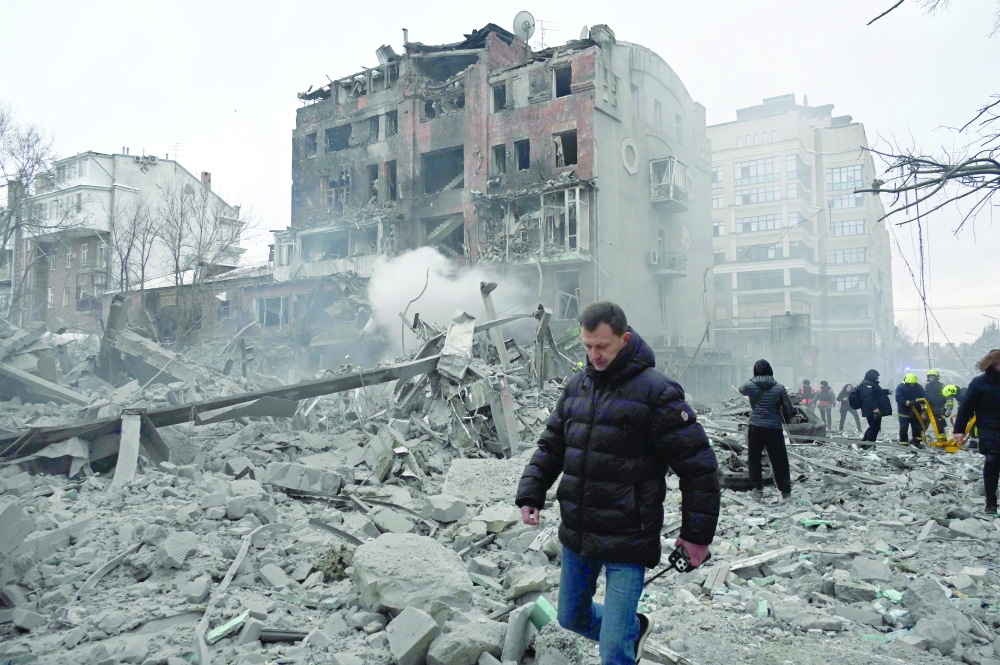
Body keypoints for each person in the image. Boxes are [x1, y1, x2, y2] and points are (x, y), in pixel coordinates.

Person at [516, 302, 720, 665]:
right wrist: (531, 492)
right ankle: (631, 629)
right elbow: (552, 445)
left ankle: (621, 638)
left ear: (624, 339)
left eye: (602, 347)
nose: (594, 355)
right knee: (571, 618)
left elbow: (698, 467)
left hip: (629, 536)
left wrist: (697, 535)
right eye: (588, 346)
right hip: (579, 530)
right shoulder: (577, 386)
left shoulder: (656, 393)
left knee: (613, 653)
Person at [738, 360, 793, 501]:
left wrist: (753, 378)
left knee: (754, 459)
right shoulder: (780, 387)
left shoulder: (750, 385)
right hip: (774, 427)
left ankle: (757, 490)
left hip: (755, 426)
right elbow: (789, 409)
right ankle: (785, 492)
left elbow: (741, 389)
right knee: (779, 460)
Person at [954, 349, 1000, 515]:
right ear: (993, 363)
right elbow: (966, 407)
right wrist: (958, 430)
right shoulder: (979, 383)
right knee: (992, 462)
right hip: (989, 429)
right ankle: (990, 503)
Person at [858, 369, 892, 442]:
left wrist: (886, 391)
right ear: (872, 376)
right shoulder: (866, 384)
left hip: (873, 409)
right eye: (876, 377)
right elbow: (867, 397)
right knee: (874, 427)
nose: (877, 378)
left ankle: (866, 443)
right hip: (871, 410)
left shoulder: (870, 383)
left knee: (874, 427)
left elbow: (877, 393)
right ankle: (867, 443)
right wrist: (874, 407)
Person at [895, 373, 927, 447]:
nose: (912, 385)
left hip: (916, 411)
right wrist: (908, 403)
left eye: (913, 383)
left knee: (917, 427)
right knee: (903, 428)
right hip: (904, 412)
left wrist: (920, 403)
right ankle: (903, 442)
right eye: (910, 383)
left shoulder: (919, 387)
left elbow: (924, 397)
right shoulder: (900, 387)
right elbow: (898, 398)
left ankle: (916, 442)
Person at [925, 369, 947, 439]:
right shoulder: (926, 386)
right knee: (923, 423)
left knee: (940, 425)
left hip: (939, 408)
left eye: (933, 377)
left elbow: (948, 396)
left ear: (936, 377)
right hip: (928, 408)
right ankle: (917, 439)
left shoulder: (942, 386)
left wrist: (949, 408)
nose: (931, 378)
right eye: (930, 377)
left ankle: (942, 440)